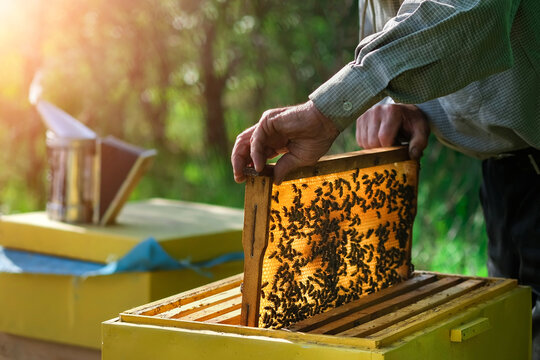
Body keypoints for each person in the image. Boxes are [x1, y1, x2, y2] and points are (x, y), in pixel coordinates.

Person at [231, 0, 539, 357]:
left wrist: (329, 109)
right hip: (502, 177)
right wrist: (402, 105)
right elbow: (409, 39)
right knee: (506, 339)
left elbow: (471, 11)